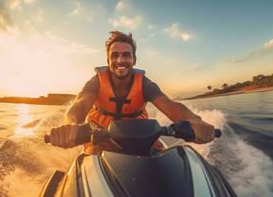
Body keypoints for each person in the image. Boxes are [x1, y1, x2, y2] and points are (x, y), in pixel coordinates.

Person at [49, 31, 215, 153]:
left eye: (126, 55)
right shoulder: (96, 82)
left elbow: (170, 105)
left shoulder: (145, 84)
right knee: (92, 157)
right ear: (108, 61)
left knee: (166, 160)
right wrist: (68, 123)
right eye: (114, 56)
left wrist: (194, 121)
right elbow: (81, 103)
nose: (120, 60)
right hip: (101, 139)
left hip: (142, 138)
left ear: (134, 60)